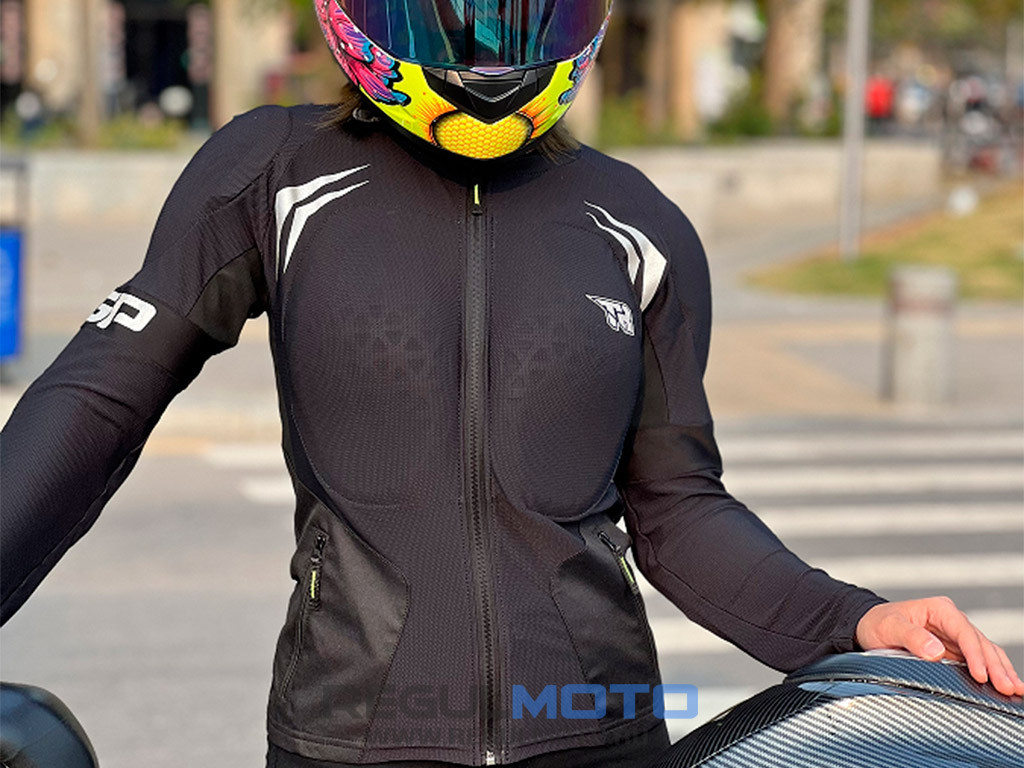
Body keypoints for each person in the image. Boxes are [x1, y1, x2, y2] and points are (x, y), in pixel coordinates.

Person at [2, 2, 1021, 767]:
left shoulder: (639, 223)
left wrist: (853, 621)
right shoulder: (272, 173)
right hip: (354, 740)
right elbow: (99, 400)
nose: (486, 37)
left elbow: (677, 509)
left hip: (600, 735)